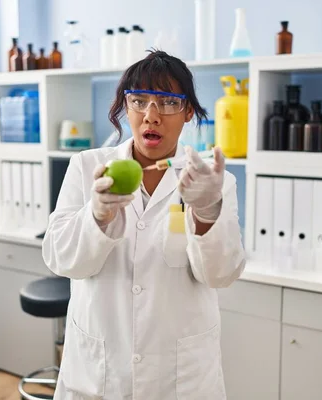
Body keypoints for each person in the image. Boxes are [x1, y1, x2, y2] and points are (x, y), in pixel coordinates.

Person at [42, 50, 246, 400]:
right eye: (139, 100)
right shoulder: (87, 166)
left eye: (167, 102)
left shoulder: (213, 181)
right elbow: (61, 260)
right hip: (100, 373)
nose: (151, 115)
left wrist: (207, 212)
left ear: (188, 113)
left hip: (180, 378)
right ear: (126, 106)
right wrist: (97, 216)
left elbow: (220, 275)